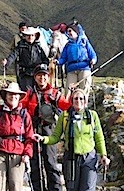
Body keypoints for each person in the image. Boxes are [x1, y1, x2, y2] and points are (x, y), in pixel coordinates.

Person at [33, 88, 110, 191]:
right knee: (72, 188)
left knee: (88, 188)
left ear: (85, 100)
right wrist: (43, 139)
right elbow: (55, 137)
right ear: (71, 101)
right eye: (76, 98)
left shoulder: (92, 116)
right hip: (71, 158)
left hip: (89, 158)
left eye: (81, 98)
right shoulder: (64, 116)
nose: (79, 101)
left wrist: (103, 155)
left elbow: (99, 137)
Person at [20, 63, 72, 191]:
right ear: (35, 77)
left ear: (48, 77)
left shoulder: (55, 94)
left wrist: (72, 92)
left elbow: (67, 106)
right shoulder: (29, 93)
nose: (41, 78)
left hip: (49, 130)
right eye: (39, 75)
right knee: (35, 163)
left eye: (44, 75)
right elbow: (19, 106)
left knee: (50, 162)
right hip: (32, 130)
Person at [0, 82, 34, 191]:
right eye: (10, 94)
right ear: (5, 95)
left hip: (18, 155)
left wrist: (27, 154)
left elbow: (29, 137)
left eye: (15, 94)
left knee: (15, 186)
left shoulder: (24, 114)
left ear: (19, 97)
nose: (13, 96)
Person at [54, 23, 97, 101]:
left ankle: (83, 107)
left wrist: (93, 60)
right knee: (68, 89)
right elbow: (63, 58)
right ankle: (68, 107)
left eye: (70, 31)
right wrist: (58, 62)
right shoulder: (67, 45)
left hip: (84, 68)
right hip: (72, 69)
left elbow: (92, 54)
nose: (69, 33)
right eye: (67, 32)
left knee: (84, 89)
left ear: (76, 32)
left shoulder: (84, 42)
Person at [2, 27, 49, 91]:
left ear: (35, 36)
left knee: (38, 92)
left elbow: (45, 59)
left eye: (32, 35)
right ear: (25, 36)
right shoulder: (20, 47)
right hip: (25, 74)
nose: (30, 37)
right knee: (27, 92)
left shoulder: (38, 48)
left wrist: (44, 65)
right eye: (28, 35)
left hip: (37, 74)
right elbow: (13, 56)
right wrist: (7, 62)